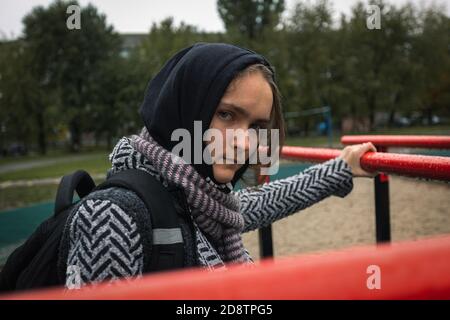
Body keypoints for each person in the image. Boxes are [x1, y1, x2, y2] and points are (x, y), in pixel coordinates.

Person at [59, 43, 376, 288]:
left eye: (255, 126)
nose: (245, 142)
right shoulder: (113, 216)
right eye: (226, 115)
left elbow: (254, 203)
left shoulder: (201, 202)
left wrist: (339, 170)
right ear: (186, 108)